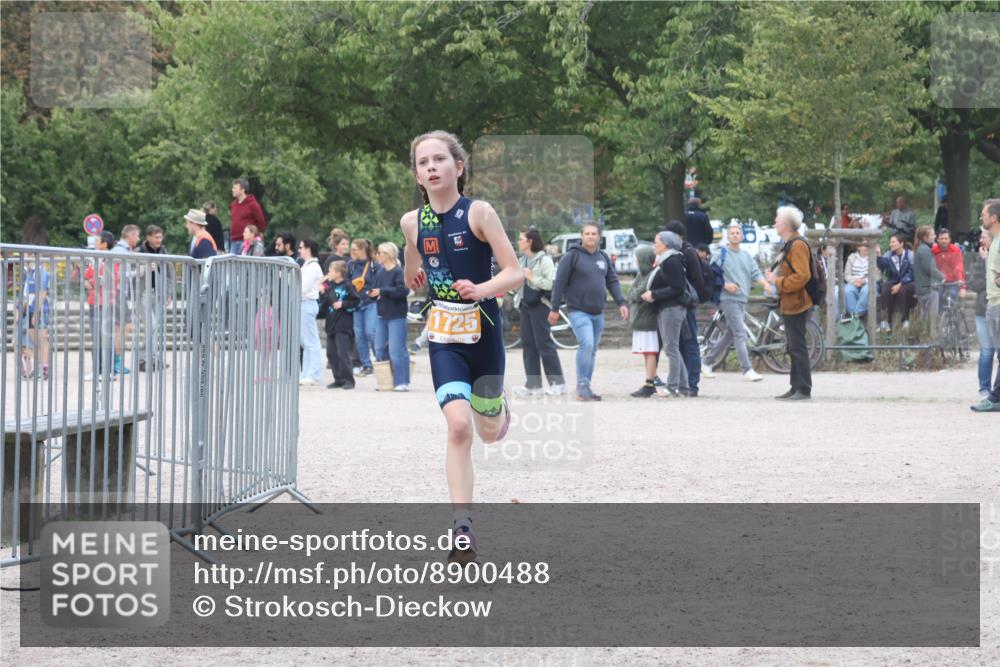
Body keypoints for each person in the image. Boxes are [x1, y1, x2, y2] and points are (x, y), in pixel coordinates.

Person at [400, 130, 523, 564]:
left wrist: (481, 287)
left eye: (439, 159)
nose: (431, 167)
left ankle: (498, 409)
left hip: (484, 329)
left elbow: (514, 273)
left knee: (487, 432)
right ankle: (462, 527)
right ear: (416, 174)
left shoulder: (480, 213)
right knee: (457, 427)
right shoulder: (412, 222)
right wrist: (414, 274)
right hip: (444, 335)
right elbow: (412, 267)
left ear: (459, 166)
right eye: (423, 162)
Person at [549, 221, 628, 401]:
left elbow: (613, 281)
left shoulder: (603, 257)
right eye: (587, 233)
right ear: (581, 236)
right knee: (587, 344)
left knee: (592, 350)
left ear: (599, 237)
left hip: (598, 312)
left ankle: (586, 386)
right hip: (578, 310)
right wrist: (554, 308)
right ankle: (582, 385)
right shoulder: (571, 257)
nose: (590, 236)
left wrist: (621, 302)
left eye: (594, 234)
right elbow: (559, 283)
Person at [701, 221, 772, 381]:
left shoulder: (746, 255)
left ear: (742, 236)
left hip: (742, 299)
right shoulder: (721, 253)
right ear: (727, 236)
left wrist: (766, 284)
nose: (735, 235)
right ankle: (747, 369)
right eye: (732, 233)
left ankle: (706, 361)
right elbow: (710, 274)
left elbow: (755, 273)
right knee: (741, 333)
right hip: (727, 299)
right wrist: (725, 285)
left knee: (730, 334)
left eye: (737, 233)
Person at [764, 205, 812, 400]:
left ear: (785, 224)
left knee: (797, 347)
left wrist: (777, 281)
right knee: (793, 346)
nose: (775, 222)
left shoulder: (797, 245)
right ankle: (795, 387)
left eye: (777, 219)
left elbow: (803, 276)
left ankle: (803, 389)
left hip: (797, 303)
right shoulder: (790, 244)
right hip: (790, 303)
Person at [514, 228, 565, 396]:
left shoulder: (545, 260)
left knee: (544, 344)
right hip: (525, 305)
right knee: (528, 344)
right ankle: (533, 385)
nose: (519, 241)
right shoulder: (522, 260)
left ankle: (558, 384)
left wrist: (531, 278)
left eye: (521, 239)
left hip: (540, 306)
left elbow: (552, 284)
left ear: (530, 241)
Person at [642, 231, 689, 398]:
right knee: (673, 348)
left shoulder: (671, 261)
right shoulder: (667, 260)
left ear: (666, 244)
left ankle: (672, 386)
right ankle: (683, 387)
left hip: (671, 308)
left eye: (657, 242)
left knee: (671, 349)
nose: (654, 245)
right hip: (667, 308)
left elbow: (677, 288)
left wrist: (654, 295)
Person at [664, 220, 708, 397]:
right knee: (680, 343)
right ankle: (683, 382)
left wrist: (691, 299)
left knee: (689, 343)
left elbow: (696, 279)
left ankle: (692, 384)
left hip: (686, 303)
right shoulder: (677, 251)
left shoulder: (687, 252)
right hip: (677, 303)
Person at [370, 242, 411, 391]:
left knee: (397, 350)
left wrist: (382, 291)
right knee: (379, 348)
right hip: (382, 316)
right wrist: (372, 294)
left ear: (387, 255)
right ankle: (385, 381)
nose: (377, 256)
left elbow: (403, 291)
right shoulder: (380, 272)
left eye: (379, 253)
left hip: (397, 316)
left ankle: (401, 382)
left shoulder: (399, 272)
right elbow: (377, 290)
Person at [972, 198, 1000, 412]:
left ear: (994, 217)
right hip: (992, 304)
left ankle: (994, 397)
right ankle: (995, 396)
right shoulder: (995, 243)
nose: (981, 216)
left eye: (984, 213)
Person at [628, 244, 663, 397]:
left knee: (650, 351)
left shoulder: (652, 274)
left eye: (637, 259)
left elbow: (636, 295)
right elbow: (631, 293)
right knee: (646, 352)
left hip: (649, 320)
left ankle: (650, 383)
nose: (636, 261)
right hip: (640, 319)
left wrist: (635, 294)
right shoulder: (640, 274)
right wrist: (635, 294)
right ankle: (650, 379)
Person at [318, 260, 359, 389]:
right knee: (331, 353)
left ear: (338, 273)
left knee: (343, 353)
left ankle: (349, 380)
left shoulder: (348, 286)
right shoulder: (330, 286)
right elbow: (325, 304)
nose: (328, 273)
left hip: (343, 324)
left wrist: (343, 304)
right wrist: (323, 293)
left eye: (330, 270)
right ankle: (339, 379)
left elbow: (356, 301)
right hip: (331, 323)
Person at [136, 225, 169, 372]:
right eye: (156, 237)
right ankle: (152, 359)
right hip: (143, 293)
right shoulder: (139, 251)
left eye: (161, 237)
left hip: (159, 293)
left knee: (153, 328)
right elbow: (132, 272)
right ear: (148, 237)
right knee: (153, 326)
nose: (159, 240)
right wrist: (145, 266)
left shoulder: (163, 251)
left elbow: (168, 273)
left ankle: (144, 359)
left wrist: (169, 293)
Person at [969, 229, 998, 400]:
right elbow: (975, 283)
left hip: (997, 308)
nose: (981, 240)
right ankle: (984, 388)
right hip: (982, 310)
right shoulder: (979, 261)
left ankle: (997, 391)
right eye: (981, 237)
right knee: (987, 351)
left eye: (984, 237)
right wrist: (985, 262)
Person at [348, 238, 380, 377]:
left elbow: (380, 281)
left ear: (363, 250)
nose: (352, 252)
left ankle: (380, 361)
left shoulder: (374, 265)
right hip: (356, 304)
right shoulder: (351, 265)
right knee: (359, 336)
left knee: (370, 332)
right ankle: (367, 365)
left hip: (370, 302)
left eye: (354, 249)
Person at [17, 254, 51, 380]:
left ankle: (44, 368)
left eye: (25, 255)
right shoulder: (30, 274)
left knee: (42, 340)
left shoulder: (41, 272)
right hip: (31, 310)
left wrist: (36, 313)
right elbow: (27, 296)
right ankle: (38, 367)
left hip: (40, 310)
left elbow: (42, 294)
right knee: (35, 341)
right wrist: (20, 314)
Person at [297, 239, 325, 386]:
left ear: (308, 249)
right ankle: (307, 373)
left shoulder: (313, 266)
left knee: (311, 341)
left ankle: (313, 374)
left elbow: (303, 287)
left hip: (307, 303)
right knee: (305, 341)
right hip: (304, 304)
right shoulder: (307, 266)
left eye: (301, 247)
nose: (299, 250)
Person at [876, 234, 915, 331]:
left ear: (901, 243)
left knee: (903, 291)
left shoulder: (910, 255)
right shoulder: (889, 254)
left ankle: (905, 320)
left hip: (907, 282)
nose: (891, 244)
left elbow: (911, 273)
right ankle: (885, 322)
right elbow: (883, 266)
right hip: (893, 281)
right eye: (890, 242)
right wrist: (878, 255)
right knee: (885, 288)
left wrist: (900, 284)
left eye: (893, 242)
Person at [913, 225, 945, 325]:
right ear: (925, 237)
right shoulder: (924, 250)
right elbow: (931, 269)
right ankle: (929, 338)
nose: (935, 236)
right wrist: (944, 277)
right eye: (932, 234)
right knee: (931, 318)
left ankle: (924, 336)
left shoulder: (923, 249)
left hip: (924, 287)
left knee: (925, 316)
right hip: (928, 289)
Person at [229, 179, 266, 255]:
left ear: (242, 189)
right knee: (232, 264)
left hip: (247, 241)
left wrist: (257, 234)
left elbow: (261, 222)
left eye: (235, 188)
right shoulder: (233, 205)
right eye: (232, 188)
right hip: (234, 241)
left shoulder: (253, 204)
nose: (232, 190)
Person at [932, 227, 967, 303]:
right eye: (941, 239)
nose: (943, 241)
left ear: (950, 239)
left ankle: (952, 314)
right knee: (937, 297)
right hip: (939, 282)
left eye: (946, 238)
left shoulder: (955, 250)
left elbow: (959, 268)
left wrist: (962, 287)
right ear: (937, 240)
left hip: (953, 282)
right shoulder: (933, 251)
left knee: (952, 296)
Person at [843, 241, 871, 317]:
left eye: (868, 245)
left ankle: (857, 314)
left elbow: (876, 275)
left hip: (868, 282)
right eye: (865, 245)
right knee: (848, 291)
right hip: (854, 282)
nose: (867, 247)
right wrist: (854, 280)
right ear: (859, 247)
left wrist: (864, 281)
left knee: (866, 290)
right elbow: (847, 274)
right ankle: (853, 313)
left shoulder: (872, 257)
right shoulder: (852, 257)